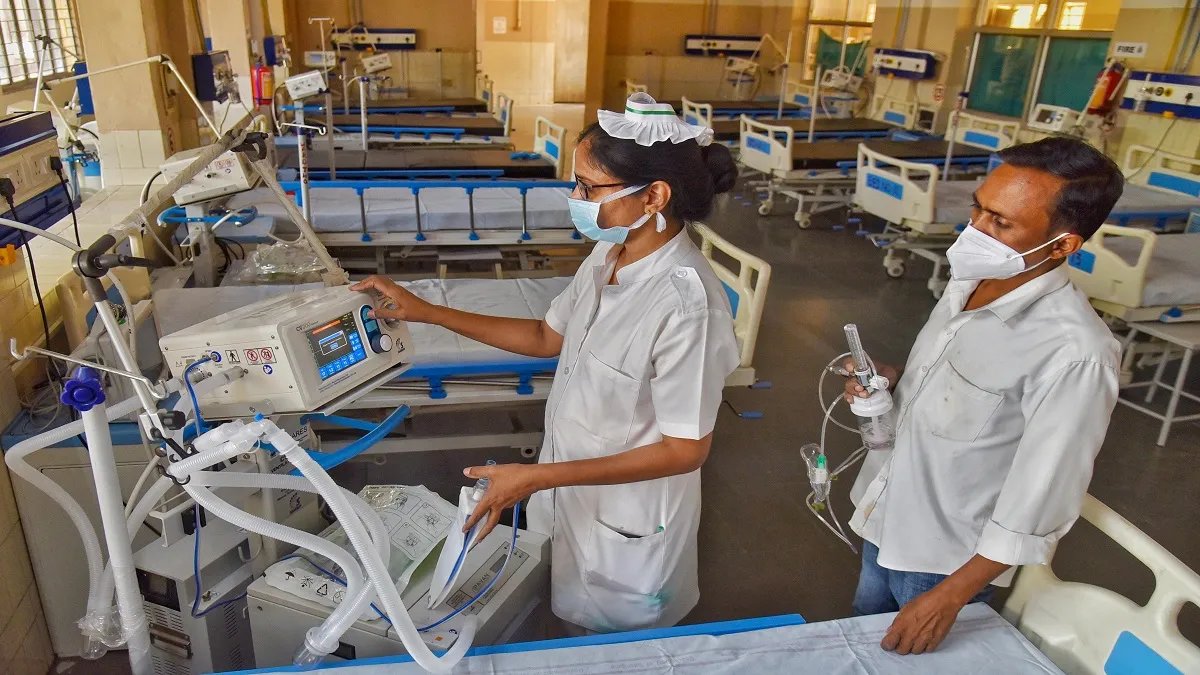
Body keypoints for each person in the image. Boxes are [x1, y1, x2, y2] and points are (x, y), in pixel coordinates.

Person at [350, 93, 740, 634]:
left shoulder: (687, 307)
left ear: (654, 195)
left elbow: (684, 450)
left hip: (628, 523)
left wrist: (537, 477)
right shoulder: (609, 256)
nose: (575, 198)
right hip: (567, 493)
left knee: (614, 647)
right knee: (562, 613)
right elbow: (544, 336)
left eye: (589, 187)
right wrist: (426, 311)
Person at [842, 136, 1124, 654]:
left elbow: (1044, 491)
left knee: (913, 658)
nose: (974, 230)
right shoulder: (972, 279)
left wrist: (952, 596)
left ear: (1062, 245)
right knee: (864, 635)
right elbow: (958, 379)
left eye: (1001, 222)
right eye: (978, 208)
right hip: (887, 511)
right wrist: (895, 378)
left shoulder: (1074, 352)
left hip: (943, 562)